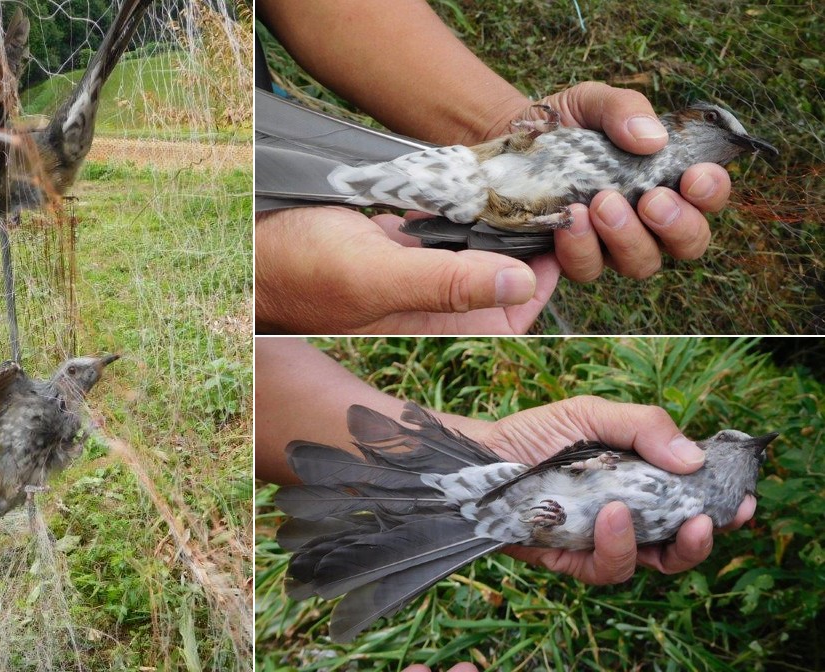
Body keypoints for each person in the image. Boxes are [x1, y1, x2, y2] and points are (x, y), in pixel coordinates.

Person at [255, 0, 732, 334]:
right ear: (690, 119)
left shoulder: (663, 181)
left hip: (484, 185)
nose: (728, 141)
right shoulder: (654, 155)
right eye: (714, 121)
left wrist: (507, 126)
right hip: (484, 174)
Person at [256, 338, 757, 589]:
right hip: (534, 484)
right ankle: (544, 512)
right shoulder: (679, 467)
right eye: (723, 439)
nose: (721, 447)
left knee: (596, 524)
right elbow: (575, 462)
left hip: (538, 518)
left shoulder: (701, 517)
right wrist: (591, 460)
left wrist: (547, 522)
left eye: (735, 446)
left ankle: (545, 517)